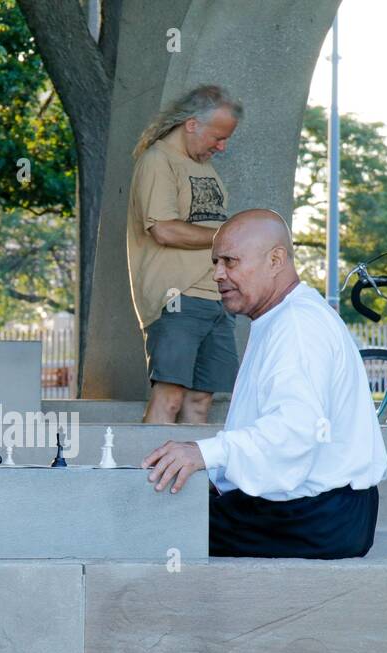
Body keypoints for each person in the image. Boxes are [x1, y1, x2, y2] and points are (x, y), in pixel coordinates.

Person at [142, 209, 387, 559]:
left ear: (276, 260)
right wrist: (215, 470)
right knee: (169, 512)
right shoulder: (282, 317)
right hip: (317, 510)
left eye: (230, 261)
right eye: (216, 262)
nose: (217, 274)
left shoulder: (298, 326)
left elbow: (295, 429)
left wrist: (205, 453)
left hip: (317, 517)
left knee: (154, 524)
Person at [126, 85, 243, 424]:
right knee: (170, 397)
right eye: (218, 137)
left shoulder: (206, 170)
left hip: (217, 296)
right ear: (192, 124)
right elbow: (163, 229)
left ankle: (192, 479)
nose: (221, 147)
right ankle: (144, 479)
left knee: (200, 402)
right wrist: (228, 238)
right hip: (176, 297)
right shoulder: (157, 160)